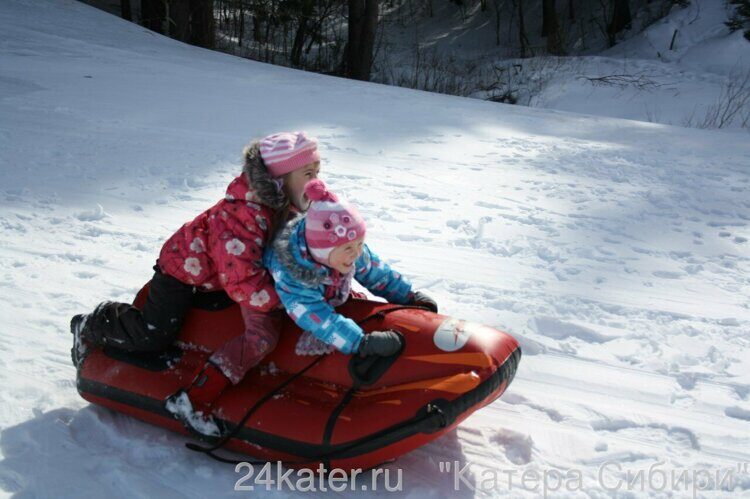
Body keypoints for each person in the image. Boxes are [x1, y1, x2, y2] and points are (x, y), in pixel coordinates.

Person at [70, 131, 321, 437]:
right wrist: (286, 298)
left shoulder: (289, 205)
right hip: (182, 271)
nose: (316, 182)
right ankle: (94, 324)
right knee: (154, 335)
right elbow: (242, 282)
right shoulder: (242, 216)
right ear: (280, 180)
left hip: (223, 275)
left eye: (317, 173)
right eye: (308, 174)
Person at [264, 179, 438, 358]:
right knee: (265, 337)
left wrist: (408, 296)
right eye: (349, 248)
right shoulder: (293, 275)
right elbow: (317, 317)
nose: (356, 253)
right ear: (322, 252)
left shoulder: (348, 246)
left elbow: (376, 272)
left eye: (360, 244)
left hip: (328, 284)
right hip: (281, 301)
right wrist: (359, 342)